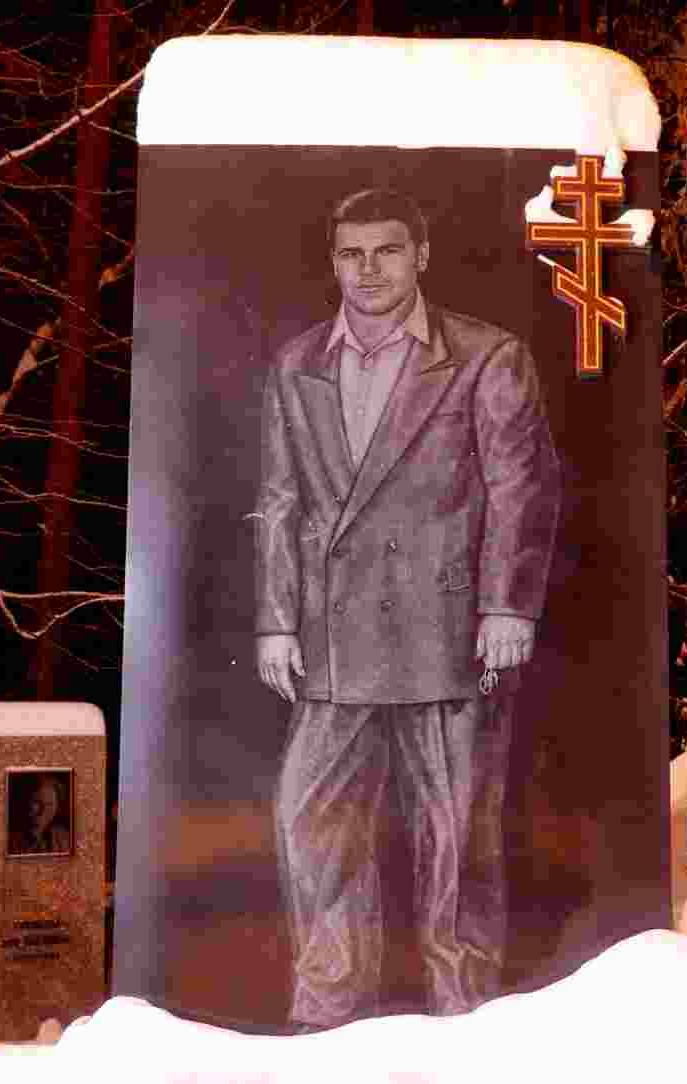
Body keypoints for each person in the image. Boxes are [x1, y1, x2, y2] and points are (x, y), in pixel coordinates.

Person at [254, 188, 561, 1031]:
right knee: (311, 822)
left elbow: (521, 487)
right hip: (333, 640)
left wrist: (508, 604)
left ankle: (464, 1021)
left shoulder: (484, 355)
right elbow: (282, 500)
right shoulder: (299, 364)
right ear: (332, 261)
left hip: (450, 634)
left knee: (457, 836)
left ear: (420, 254)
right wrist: (277, 618)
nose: (368, 270)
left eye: (386, 250)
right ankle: (327, 1018)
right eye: (351, 253)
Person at [8, 772, 71, 855]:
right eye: (37, 803)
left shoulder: (65, 838)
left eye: (49, 805)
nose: (43, 812)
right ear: (24, 802)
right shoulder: (8, 838)